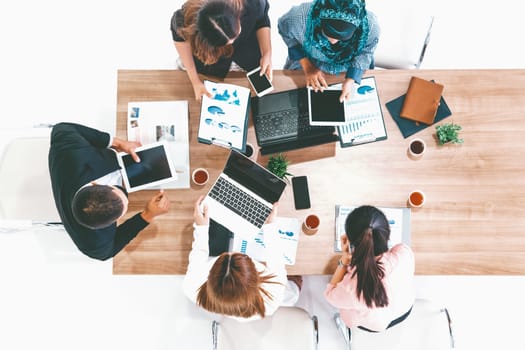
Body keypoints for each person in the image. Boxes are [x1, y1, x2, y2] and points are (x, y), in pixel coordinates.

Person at [48, 122, 170, 260]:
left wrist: (116, 143)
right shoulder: (93, 244)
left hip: (91, 163)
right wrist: (147, 215)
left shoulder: (69, 151)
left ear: (94, 184)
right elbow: (108, 252)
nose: (124, 189)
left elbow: (61, 128)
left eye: (118, 189)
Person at [183, 196, 301, 321]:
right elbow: (276, 258)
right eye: (241, 256)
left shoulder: (192, 287)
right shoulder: (273, 293)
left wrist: (200, 226)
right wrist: (270, 226)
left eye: (226, 256)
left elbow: (199, 252)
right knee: (296, 276)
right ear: (255, 278)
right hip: (285, 290)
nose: (232, 251)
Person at [324, 205, 415, 332]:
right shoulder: (404, 253)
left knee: (348, 311)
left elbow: (329, 294)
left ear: (351, 243)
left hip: (374, 324)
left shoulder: (351, 288)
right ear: (387, 234)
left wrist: (344, 259)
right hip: (403, 309)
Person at [278, 0, 380, 102]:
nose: (333, 42)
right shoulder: (297, 18)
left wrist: (351, 79)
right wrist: (307, 66)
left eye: (342, 37)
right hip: (309, 62)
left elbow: (366, 51)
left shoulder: (371, 26)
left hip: (349, 66)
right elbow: (285, 31)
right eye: (328, 33)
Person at [170, 0, 272, 101]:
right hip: (210, 64)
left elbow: (262, 19)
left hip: (247, 53)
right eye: (224, 42)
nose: (232, 43)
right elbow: (180, 40)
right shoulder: (184, 19)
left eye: (235, 34)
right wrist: (195, 81)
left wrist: (267, 52)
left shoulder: (253, 2)